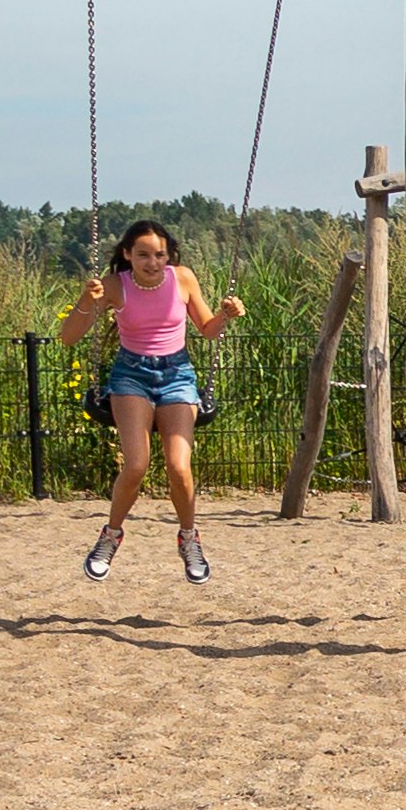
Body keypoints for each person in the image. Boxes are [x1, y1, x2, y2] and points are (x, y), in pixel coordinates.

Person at [54, 218, 243, 584]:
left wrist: (226, 315)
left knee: (179, 467)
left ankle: (189, 539)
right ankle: (110, 536)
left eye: (159, 255)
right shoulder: (113, 286)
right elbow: (68, 338)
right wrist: (85, 300)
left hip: (177, 375)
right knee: (137, 464)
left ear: (168, 255)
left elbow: (207, 330)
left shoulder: (183, 279)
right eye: (143, 255)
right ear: (128, 255)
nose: (152, 262)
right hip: (130, 375)